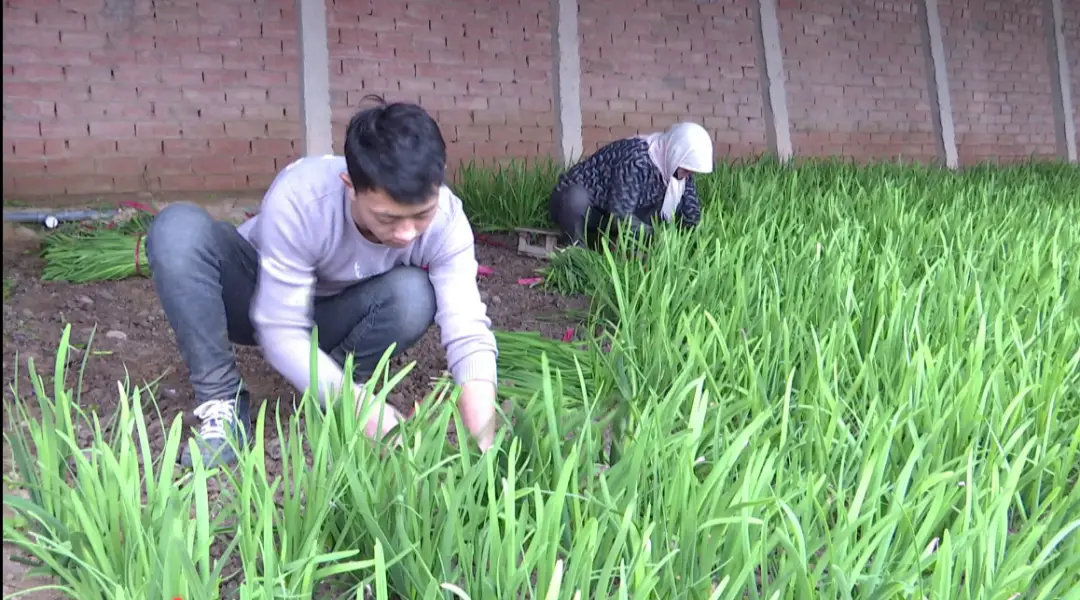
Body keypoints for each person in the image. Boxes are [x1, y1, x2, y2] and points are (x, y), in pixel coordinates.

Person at [146, 96, 500, 468]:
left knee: (413, 294)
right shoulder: (303, 197)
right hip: (259, 298)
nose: (407, 234)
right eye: (388, 219)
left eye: (421, 215)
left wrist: (483, 437)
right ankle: (223, 402)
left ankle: (331, 390)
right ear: (350, 185)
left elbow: (467, 329)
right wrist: (361, 408)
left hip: (337, 313)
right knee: (177, 230)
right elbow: (281, 330)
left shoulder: (447, 220)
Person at [548, 122, 714, 248]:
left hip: (611, 213)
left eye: (691, 171)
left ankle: (616, 245)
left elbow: (690, 215)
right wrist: (656, 237)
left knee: (657, 211)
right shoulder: (636, 160)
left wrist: (692, 243)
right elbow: (619, 214)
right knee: (575, 197)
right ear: (675, 153)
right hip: (585, 208)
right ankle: (574, 251)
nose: (688, 175)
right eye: (687, 169)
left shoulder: (676, 168)